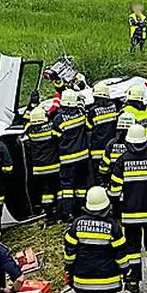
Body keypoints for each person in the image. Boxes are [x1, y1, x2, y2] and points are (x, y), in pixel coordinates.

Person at [108, 124, 147, 293]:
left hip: (129, 214)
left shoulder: (122, 161)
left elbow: (114, 189)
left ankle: (133, 282)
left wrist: (115, 207)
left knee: (132, 249)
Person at [64, 186, 129, 293]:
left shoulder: (77, 224)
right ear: (106, 205)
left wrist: (69, 268)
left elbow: (69, 251)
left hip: (82, 280)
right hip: (107, 282)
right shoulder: (113, 226)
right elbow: (121, 253)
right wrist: (125, 270)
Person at [53, 90, 93, 220]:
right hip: (83, 156)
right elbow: (88, 126)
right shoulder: (80, 115)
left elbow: (55, 137)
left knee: (67, 186)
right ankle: (81, 209)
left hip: (67, 158)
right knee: (82, 185)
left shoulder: (59, 119)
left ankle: (67, 212)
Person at [20, 105, 60, 225]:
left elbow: (25, 122)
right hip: (54, 166)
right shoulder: (51, 127)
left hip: (39, 169)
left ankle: (49, 214)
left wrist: (31, 106)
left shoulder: (30, 130)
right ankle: (59, 212)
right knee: (58, 189)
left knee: (45, 193)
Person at [87, 84, 120, 179]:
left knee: (99, 176)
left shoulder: (93, 111)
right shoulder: (114, 106)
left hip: (97, 149)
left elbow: (88, 127)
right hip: (112, 148)